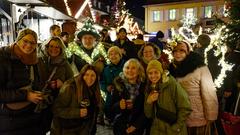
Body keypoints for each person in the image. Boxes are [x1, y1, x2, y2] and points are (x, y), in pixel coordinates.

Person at [0, 28, 45, 135]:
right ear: (18, 40)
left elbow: (35, 82)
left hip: (31, 116)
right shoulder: (3, 58)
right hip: (10, 119)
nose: (29, 45)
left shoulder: (34, 59)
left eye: (33, 43)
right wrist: (26, 95)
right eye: (25, 41)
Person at [169, 40, 218, 135]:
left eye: (182, 50)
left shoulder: (200, 67)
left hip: (197, 116)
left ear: (188, 52)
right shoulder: (171, 68)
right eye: (175, 51)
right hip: (179, 117)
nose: (178, 53)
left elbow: (209, 93)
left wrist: (211, 116)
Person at [51, 64, 102, 135]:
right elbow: (56, 109)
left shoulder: (95, 90)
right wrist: (77, 112)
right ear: (82, 75)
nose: (89, 78)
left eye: (92, 75)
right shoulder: (70, 87)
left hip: (84, 130)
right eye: (86, 74)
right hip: (66, 130)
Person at [144, 60, 191, 135]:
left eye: (156, 72)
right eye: (150, 73)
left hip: (174, 131)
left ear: (161, 72)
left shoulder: (172, 84)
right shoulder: (149, 89)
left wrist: (176, 127)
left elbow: (185, 107)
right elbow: (149, 115)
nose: (153, 76)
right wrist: (149, 102)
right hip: (157, 131)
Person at [38, 36, 73, 132]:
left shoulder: (64, 63)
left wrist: (62, 84)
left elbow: (72, 82)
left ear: (61, 49)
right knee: (41, 127)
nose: (54, 49)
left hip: (58, 101)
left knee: (56, 127)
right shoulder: (38, 61)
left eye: (57, 47)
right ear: (46, 47)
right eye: (51, 46)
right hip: (41, 100)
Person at [111, 59, 147, 135]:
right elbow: (112, 108)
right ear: (123, 70)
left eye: (133, 68)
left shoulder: (144, 86)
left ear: (138, 71)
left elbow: (146, 109)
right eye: (127, 68)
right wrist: (119, 105)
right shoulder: (118, 85)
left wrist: (136, 125)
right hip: (120, 127)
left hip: (137, 127)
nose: (130, 70)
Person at [100, 46, 125, 124]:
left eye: (115, 54)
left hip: (123, 96)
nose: (113, 56)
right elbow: (101, 82)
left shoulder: (126, 66)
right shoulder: (106, 69)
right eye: (110, 54)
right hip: (110, 97)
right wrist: (106, 87)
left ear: (120, 55)